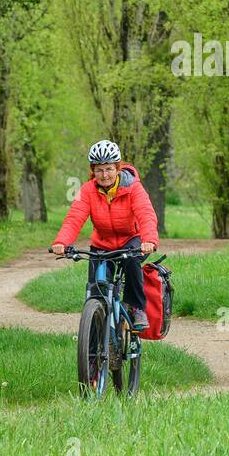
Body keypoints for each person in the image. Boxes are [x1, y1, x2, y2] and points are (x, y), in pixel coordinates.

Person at [51, 140, 159, 330]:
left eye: (109, 169)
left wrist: (149, 239)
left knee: (132, 262)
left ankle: (136, 308)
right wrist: (62, 242)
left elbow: (146, 214)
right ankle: (93, 349)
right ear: (93, 171)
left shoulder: (133, 188)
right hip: (102, 244)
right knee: (96, 290)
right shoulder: (87, 190)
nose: (105, 175)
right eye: (99, 170)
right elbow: (74, 218)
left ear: (117, 167)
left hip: (132, 240)